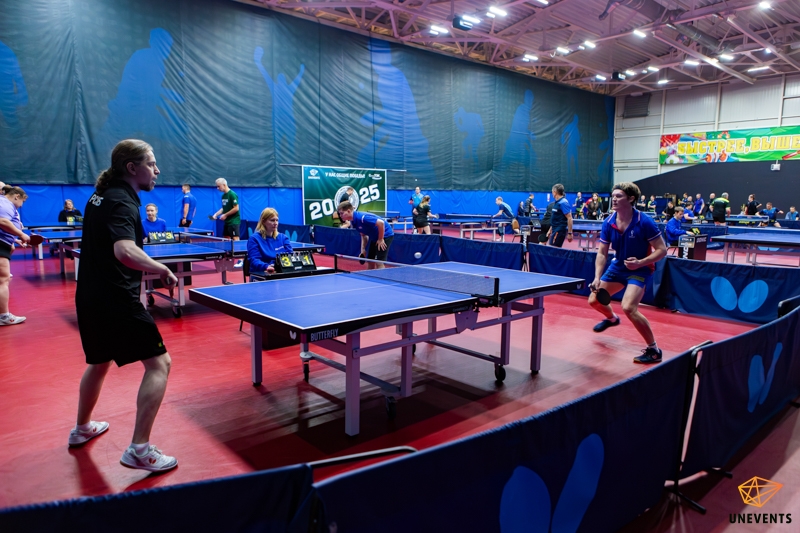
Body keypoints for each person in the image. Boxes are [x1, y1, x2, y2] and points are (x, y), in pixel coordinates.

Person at [70, 139, 179, 472]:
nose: (157, 170)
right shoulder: (121, 201)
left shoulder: (100, 195)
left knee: (99, 361)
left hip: (89, 295)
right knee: (160, 365)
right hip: (116, 298)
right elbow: (124, 250)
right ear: (132, 168)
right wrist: (160, 268)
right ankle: (139, 450)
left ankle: (82, 428)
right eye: (152, 164)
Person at [589, 182, 667, 364]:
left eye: (619, 196)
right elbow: (602, 253)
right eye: (613, 196)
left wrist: (641, 262)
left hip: (640, 269)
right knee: (594, 300)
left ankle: (654, 351)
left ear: (631, 199)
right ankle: (612, 319)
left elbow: (662, 250)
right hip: (618, 267)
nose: (614, 199)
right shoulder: (609, 222)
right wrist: (597, 277)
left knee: (629, 307)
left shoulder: (645, 222)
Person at [0, 186, 31, 325]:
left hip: (4, 243)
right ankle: (4, 317)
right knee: (3, 280)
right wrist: (21, 234)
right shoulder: (5, 203)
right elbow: (3, 221)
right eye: (22, 202)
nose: (21, 206)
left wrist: (15, 239)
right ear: (17, 196)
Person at [337, 201, 393, 268]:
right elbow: (363, 235)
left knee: (379, 262)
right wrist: (363, 250)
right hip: (374, 236)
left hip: (385, 234)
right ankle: (370, 274)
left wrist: (381, 239)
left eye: (342, 213)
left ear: (348, 211)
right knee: (370, 261)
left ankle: (381, 274)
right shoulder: (353, 222)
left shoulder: (362, 218)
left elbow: (381, 223)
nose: (340, 216)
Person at [247, 207, 293, 275]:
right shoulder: (254, 239)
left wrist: (277, 266)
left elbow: (290, 256)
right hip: (262, 274)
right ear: (263, 221)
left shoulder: (283, 238)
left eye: (277, 220)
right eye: (272, 220)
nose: (275, 223)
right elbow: (254, 260)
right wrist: (266, 267)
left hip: (281, 272)